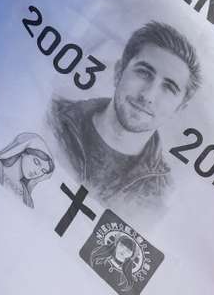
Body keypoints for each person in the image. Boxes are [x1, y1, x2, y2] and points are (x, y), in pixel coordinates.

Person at [49, 21, 201, 214]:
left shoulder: (160, 196)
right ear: (119, 71)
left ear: (179, 109)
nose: (147, 96)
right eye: (144, 73)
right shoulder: (52, 115)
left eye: (169, 87)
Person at [0, 132, 55, 208]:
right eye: (36, 162)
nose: (37, 172)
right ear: (24, 152)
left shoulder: (27, 201)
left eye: (43, 171)